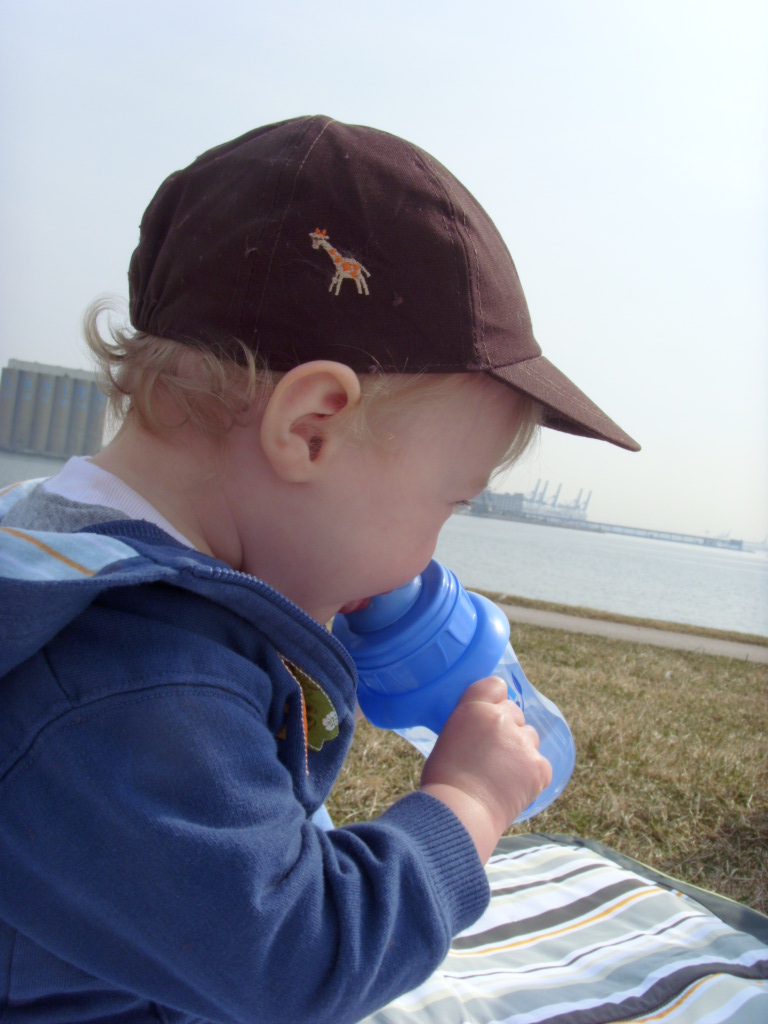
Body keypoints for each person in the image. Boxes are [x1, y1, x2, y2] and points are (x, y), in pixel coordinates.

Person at [0, 115, 639, 1024]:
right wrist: (468, 801)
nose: (431, 558)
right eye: (448, 503)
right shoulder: (131, 681)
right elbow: (301, 961)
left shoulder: (60, 548)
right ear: (310, 430)